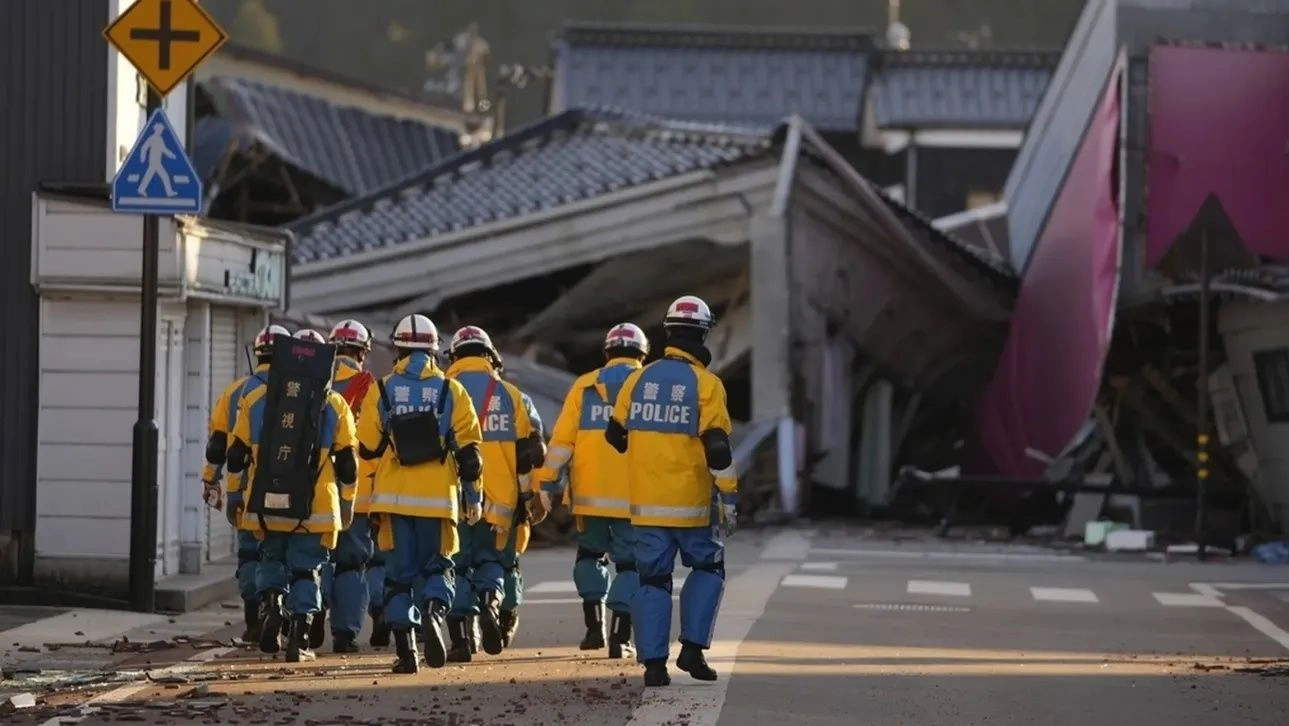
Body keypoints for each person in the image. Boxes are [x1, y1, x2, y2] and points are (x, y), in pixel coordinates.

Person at [605, 296, 738, 687]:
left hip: (647, 506)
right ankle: (693, 650)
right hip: (692, 505)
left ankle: (653, 666)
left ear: (668, 333)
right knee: (708, 568)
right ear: (702, 333)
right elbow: (718, 447)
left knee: (652, 581)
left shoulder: (637, 379)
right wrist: (729, 495)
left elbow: (615, 435)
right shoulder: (706, 384)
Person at [358, 314, 484, 674]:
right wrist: (473, 499)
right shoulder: (451, 390)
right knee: (438, 568)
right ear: (434, 351)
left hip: (393, 500)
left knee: (398, 577)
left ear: (397, 348)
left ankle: (407, 651)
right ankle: (433, 611)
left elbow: (366, 447)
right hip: (438, 498)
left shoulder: (380, 389)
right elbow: (471, 457)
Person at [226, 332, 359, 663]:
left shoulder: (256, 397)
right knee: (306, 571)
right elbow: (348, 465)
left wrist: (233, 494)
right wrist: (347, 502)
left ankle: (272, 605)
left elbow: (235, 454)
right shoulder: (335, 404)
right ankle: (298, 639)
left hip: (266, 502)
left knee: (271, 559)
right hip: (314, 509)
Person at [535, 322, 649, 658]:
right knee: (630, 566)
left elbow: (561, 442)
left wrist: (547, 483)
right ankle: (620, 636)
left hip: (589, 496)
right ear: (642, 354)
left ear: (607, 352)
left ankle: (593, 630)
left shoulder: (584, 386)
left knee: (590, 557)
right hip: (635, 497)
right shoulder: (647, 386)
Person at [442, 326, 545, 661]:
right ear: (490, 357)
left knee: (455, 568)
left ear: (455, 357)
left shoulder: (442, 392)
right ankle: (491, 604)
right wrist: (529, 496)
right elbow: (531, 454)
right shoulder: (514, 396)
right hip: (501, 502)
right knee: (497, 564)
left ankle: (460, 640)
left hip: (453, 500)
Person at [201, 324, 287, 643]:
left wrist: (210, 480)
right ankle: (282, 610)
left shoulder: (236, 391)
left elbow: (217, 445)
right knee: (282, 553)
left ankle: (253, 621)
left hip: (243, 488)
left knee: (250, 553)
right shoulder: (295, 391)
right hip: (289, 488)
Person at [315, 320, 381, 653]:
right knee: (352, 564)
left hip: (314, 488)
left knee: (315, 559)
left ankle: (310, 612)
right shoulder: (369, 386)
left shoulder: (313, 381)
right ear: (362, 352)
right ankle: (344, 633)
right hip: (359, 492)